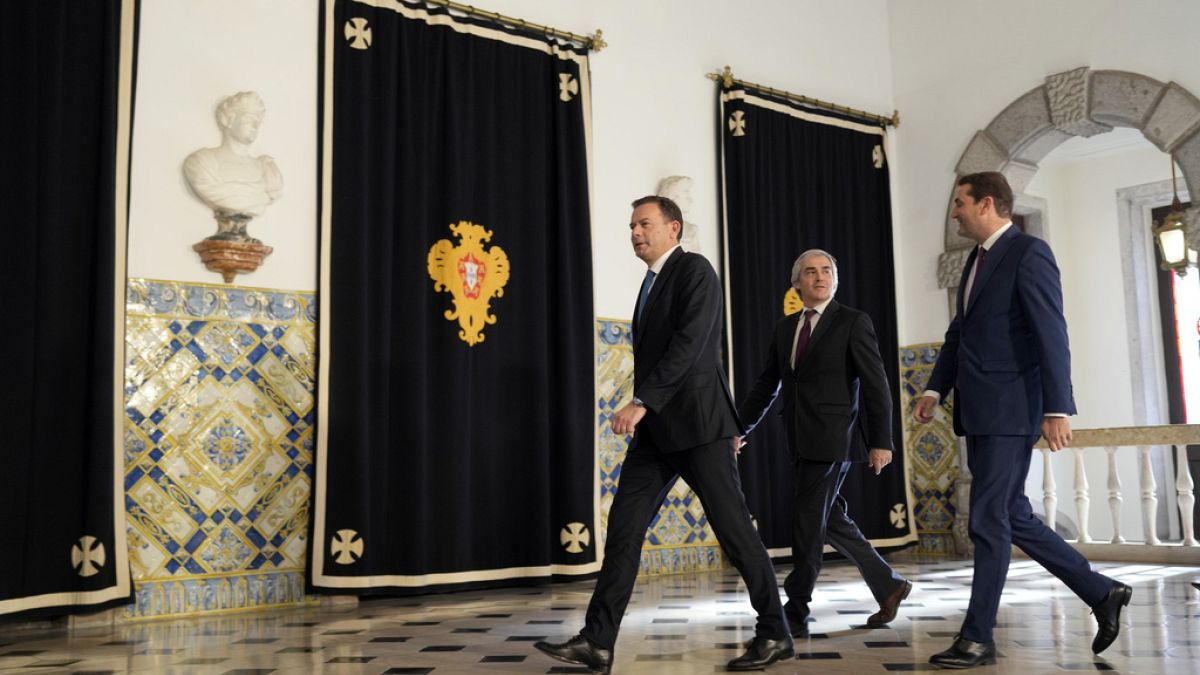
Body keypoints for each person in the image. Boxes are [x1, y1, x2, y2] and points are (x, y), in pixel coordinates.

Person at [534, 196, 794, 673]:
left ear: (674, 228)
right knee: (625, 530)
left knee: (735, 534)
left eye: (644, 223)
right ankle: (598, 641)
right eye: (631, 224)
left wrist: (641, 401)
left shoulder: (696, 270)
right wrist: (648, 408)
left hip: (700, 427)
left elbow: (691, 346)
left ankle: (775, 633)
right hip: (657, 435)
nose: (635, 232)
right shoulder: (649, 284)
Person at [914, 171, 1130, 668]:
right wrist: (934, 387)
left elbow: (1051, 330)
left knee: (988, 519)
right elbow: (959, 334)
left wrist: (1058, 408)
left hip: (1012, 409)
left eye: (960, 203)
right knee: (1010, 514)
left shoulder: (1029, 253)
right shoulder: (976, 259)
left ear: (986, 203)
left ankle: (977, 637)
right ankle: (1101, 592)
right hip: (980, 410)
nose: (954, 212)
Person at [737, 249, 912, 639]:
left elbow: (876, 383)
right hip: (798, 439)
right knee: (829, 519)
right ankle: (888, 584)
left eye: (827, 270)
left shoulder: (853, 322)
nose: (820, 277)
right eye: (811, 272)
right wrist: (739, 427)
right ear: (796, 282)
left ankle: (795, 610)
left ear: (835, 278)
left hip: (836, 440)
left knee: (806, 525)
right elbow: (768, 384)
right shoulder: (786, 329)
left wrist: (880, 441)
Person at [183, 91, 283, 241]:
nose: (255, 127)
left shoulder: (266, 168)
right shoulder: (201, 161)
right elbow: (209, 188)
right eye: (249, 120)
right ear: (227, 120)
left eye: (258, 123)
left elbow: (272, 193)